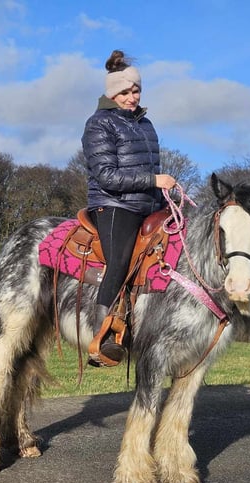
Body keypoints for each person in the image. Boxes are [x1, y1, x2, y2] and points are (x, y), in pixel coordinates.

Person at [82, 49, 177, 366]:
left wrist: (167, 195)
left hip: (149, 205)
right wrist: (154, 179)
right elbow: (107, 176)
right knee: (120, 261)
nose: (131, 96)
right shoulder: (98, 124)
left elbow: (151, 173)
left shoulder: (146, 124)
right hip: (113, 205)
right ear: (112, 93)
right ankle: (103, 337)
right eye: (125, 92)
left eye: (135, 90)